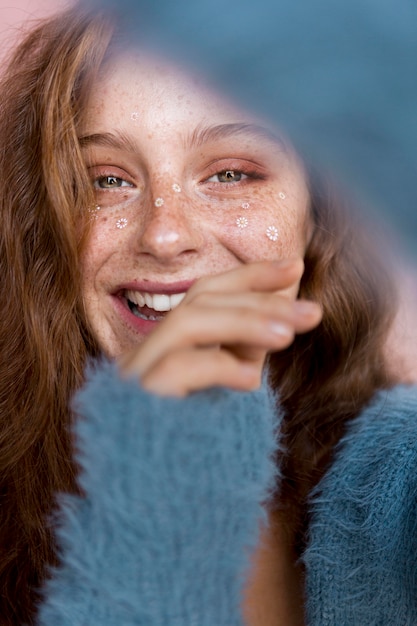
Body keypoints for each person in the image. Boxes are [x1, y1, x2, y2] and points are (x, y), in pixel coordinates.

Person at [0, 4, 415, 625]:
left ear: (319, 214)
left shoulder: (399, 484)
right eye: (105, 181)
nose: (166, 237)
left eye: (231, 173)